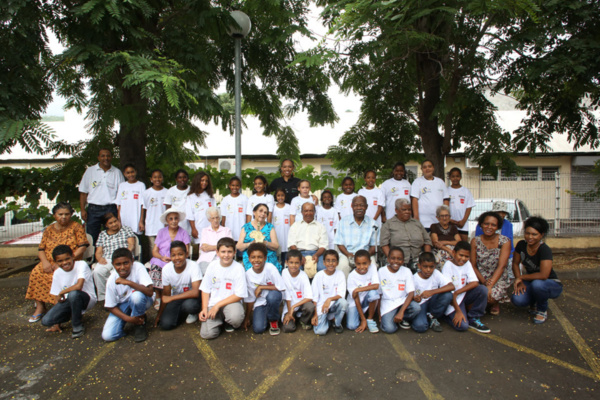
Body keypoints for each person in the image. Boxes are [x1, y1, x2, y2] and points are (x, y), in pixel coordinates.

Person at [26, 202, 89, 322]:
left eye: (66, 214)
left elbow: (82, 247)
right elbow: (41, 249)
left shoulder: (76, 227)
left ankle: (59, 307)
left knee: (55, 276)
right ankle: (40, 307)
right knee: (36, 272)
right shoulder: (49, 229)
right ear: (54, 215)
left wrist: (63, 261)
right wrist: (45, 262)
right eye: (60, 214)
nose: (63, 217)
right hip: (50, 261)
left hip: (69, 261)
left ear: (71, 214)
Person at [511, 216, 562, 324]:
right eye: (527, 233)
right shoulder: (521, 245)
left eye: (534, 234)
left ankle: (542, 309)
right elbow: (515, 263)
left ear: (541, 235)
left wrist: (521, 277)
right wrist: (519, 281)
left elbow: (544, 275)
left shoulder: (544, 249)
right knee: (518, 299)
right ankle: (533, 302)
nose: (530, 237)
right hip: (532, 281)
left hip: (550, 284)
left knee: (538, 284)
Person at [40, 245, 97, 338]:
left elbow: (79, 286)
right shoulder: (57, 273)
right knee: (46, 321)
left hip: (86, 299)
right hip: (69, 302)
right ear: (55, 262)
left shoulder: (81, 264)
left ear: (73, 256)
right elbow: (56, 298)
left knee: (73, 294)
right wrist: (57, 322)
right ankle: (74, 314)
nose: (64, 262)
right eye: (60, 261)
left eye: (67, 259)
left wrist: (62, 292)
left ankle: (77, 325)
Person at [101, 248, 154, 342]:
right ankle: (135, 319)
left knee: (136, 296)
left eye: (126, 263)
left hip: (143, 300)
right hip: (124, 304)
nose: (122, 267)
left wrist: (128, 282)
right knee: (108, 336)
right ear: (113, 264)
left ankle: (140, 324)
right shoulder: (111, 280)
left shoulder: (138, 267)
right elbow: (110, 306)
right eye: (118, 264)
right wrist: (129, 319)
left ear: (132, 261)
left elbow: (150, 292)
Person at [199, 238, 248, 339]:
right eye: (223, 252)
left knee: (236, 318)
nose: (226, 255)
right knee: (207, 335)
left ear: (234, 252)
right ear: (217, 252)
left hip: (231, 303)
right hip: (212, 304)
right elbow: (205, 289)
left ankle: (227, 321)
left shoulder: (239, 268)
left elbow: (239, 294)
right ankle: (218, 321)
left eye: (229, 252)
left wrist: (217, 306)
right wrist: (204, 309)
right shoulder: (212, 266)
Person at [442, 241, 490, 333]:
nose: (463, 259)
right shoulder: (448, 266)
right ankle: (446, 316)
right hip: (452, 300)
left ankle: (473, 317)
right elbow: (450, 294)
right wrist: (458, 311)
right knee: (463, 326)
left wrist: (457, 292)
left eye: (467, 256)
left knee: (482, 289)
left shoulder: (467, 264)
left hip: (462, 295)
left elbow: (475, 282)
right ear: (453, 253)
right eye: (461, 255)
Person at [79, 148, 124, 244]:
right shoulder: (90, 171)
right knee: (92, 235)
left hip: (111, 208)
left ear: (111, 157)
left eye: (108, 156)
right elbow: (83, 192)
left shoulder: (117, 172)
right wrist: (83, 209)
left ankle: (110, 256)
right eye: (103, 156)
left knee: (113, 234)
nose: (106, 158)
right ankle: (94, 257)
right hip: (93, 208)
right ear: (98, 157)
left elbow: (122, 194)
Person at [148, 208, 190, 309]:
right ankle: (158, 295)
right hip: (162, 258)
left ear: (179, 220)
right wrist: (162, 257)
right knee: (156, 265)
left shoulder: (184, 232)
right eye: (171, 219)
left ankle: (170, 295)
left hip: (178, 258)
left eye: (176, 218)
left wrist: (176, 258)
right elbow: (154, 251)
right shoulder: (161, 232)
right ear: (167, 220)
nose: (174, 221)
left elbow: (187, 252)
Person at [471, 211, 512, 316]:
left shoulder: (505, 241)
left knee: (491, 296)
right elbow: (473, 266)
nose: (489, 227)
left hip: (498, 276)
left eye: (493, 225)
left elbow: (501, 266)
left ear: (498, 227)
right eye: (486, 224)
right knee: (471, 295)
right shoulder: (475, 241)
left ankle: (494, 302)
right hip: (480, 276)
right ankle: (484, 301)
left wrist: (490, 285)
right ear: (481, 224)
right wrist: (484, 283)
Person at [155, 241, 203, 330]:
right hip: (177, 299)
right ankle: (180, 312)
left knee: (190, 305)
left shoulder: (193, 266)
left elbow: (195, 292)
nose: (177, 258)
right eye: (173, 255)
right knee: (165, 325)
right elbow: (166, 295)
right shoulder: (166, 269)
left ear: (186, 254)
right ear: (170, 256)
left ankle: (193, 313)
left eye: (180, 254)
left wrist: (171, 298)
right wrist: (159, 315)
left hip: (191, 298)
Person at [242, 243, 285, 335]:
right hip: (260, 302)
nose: (256, 260)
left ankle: (273, 319)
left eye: (260, 257)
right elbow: (250, 299)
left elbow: (281, 287)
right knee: (258, 329)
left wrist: (261, 286)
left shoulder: (270, 268)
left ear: (265, 258)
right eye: (253, 257)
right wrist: (247, 318)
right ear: (249, 259)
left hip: (273, 297)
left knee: (273, 296)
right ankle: (266, 314)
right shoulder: (248, 275)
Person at [93, 212, 136, 302]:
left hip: (123, 257)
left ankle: (118, 297)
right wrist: (100, 259)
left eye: (115, 221)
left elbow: (131, 244)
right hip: (108, 258)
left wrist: (126, 254)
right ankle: (103, 297)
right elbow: (98, 251)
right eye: (110, 223)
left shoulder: (126, 230)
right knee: (97, 272)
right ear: (106, 225)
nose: (114, 224)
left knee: (115, 273)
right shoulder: (102, 234)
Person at [380, 198, 432, 272]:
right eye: (404, 210)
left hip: (418, 260)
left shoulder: (416, 223)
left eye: (409, 210)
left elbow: (427, 241)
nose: (407, 212)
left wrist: (427, 258)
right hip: (397, 261)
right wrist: (392, 260)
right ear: (396, 210)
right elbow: (384, 244)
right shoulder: (388, 224)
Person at [378, 247, 421, 333]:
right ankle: (394, 319)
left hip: (402, 301)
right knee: (389, 329)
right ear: (388, 259)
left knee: (416, 308)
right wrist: (379, 314)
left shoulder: (407, 271)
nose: (396, 261)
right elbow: (379, 294)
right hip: (388, 304)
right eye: (393, 258)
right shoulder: (381, 271)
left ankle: (403, 318)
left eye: (399, 259)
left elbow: (411, 293)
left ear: (403, 260)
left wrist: (401, 312)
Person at [334, 195, 377, 278]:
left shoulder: (373, 223)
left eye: (362, 205)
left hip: (366, 254)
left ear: (366, 207)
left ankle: (370, 289)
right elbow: (339, 243)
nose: (359, 208)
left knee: (373, 266)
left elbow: (374, 246)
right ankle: (344, 290)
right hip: (347, 254)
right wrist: (348, 254)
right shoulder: (343, 222)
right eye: (356, 205)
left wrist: (365, 256)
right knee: (342, 266)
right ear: (352, 206)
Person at [411, 252, 454, 333]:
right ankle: (423, 317)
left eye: (431, 267)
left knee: (448, 295)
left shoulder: (436, 273)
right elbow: (409, 295)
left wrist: (432, 292)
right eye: (425, 266)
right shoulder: (414, 278)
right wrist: (415, 298)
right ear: (419, 266)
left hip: (433, 302)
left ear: (434, 266)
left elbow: (451, 286)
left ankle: (432, 316)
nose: (428, 270)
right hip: (421, 305)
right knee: (421, 327)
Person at [311, 250, 348, 335]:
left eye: (333, 260)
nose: (331, 263)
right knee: (320, 331)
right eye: (328, 260)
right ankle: (328, 319)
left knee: (344, 303)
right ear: (324, 262)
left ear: (337, 263)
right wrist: (315, 314)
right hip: (322, 307)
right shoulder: (318, 276)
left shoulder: (340, 274)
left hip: (334, 304)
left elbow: (341, 294)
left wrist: (329, 299)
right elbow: (315, 297)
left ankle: (337, 323)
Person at [237, 204, 282, 272]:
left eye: (265, 212)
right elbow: (238, 246)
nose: (263, 214)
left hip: (268, 258)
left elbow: (276, 246)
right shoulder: (246, 227)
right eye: (260, 211)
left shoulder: (270, 227)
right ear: (254, 212)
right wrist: (251, 244)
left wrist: (264, 242)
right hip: (251, 259)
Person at [345, 250, 380, 333]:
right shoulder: (351, 276)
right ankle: (364, 318)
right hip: (355, 302)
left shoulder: (373, 267)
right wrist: (362, 319)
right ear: (355, 263)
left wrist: (358, 289)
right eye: (358, 264)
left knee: (373, 293)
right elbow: (356, 298)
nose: (361, 267)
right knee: (352, 326)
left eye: (365, 263)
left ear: (370, 262)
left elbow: (376, 285)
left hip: (367, 299)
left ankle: (370, 319)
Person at [287, 202, 328, 272]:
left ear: (314, 212)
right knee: (295, 269)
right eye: (306, 211)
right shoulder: (295, 226)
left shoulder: (321, 226)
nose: (308, 213)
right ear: (301, 212)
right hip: (298, 253)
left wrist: (316, 255)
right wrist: (299, 256)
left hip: (316, 253)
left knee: (322, 269)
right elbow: (292, 244)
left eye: (311, 211)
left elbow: (323, 246)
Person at [281, 250, 315, 332]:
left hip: (301, 304)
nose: (294, 265)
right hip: (289, 306)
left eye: (296, 263)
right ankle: (293, 317)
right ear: (286, 262)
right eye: (291, 262)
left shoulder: (303, 275)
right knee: (288, 328)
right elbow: (287, 295)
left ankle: (303, 320)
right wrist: (289, 312)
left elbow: (309, 297)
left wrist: (294, 307)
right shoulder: (284, 273)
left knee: (310, 306)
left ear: (300, 263)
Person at [410, 160, 449, 230]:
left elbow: (445, 199)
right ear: (421, 169)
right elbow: (414, 199)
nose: (427, 169)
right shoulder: (417, 182)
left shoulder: (440, 182)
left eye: (429, 166)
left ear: (433, 168)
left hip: (438, 221)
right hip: (423, 222)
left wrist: (445, 216)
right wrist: (416, 216)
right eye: (424, 167)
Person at [198, 207, 233, 274]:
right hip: (206, 259)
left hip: (222, 258)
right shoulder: (205, 231)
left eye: (217, 217)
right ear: (209, 219)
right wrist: (221, 247)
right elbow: (204, 248)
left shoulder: (226, 230)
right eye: (213, 218)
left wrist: (210, 247)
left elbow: (229, 246)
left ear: (220, 218)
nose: (215, 220)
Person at [186, 171, 216, 244]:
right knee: (201, 248)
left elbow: (215, 213)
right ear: (197, 181)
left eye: (206, 181)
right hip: (198, 228)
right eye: (202, 180)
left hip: (210, 227)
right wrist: (193, 229)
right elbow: (190, 215)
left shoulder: (210, 196)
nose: (204, 182)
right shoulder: (191, 197)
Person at [115, 163, 145, 236]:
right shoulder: (122, 186)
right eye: (128, 173)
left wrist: (141, 221)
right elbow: (119, 204)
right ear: (124, 174)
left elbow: (143, 205)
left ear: (136, 172)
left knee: (137, 243)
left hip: (136, 221)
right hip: (124, 221)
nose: (130, 174)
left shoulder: (141, 185)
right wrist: (119, 220)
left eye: (132, 172)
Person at [141, 169, 167, 250]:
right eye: (155, 177)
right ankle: (153, 262)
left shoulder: (167, 192)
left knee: (164, 247)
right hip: (151, 224)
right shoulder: (146, 193)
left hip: (163, 225)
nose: (157, 179)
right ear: (151, 179)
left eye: (159, 177)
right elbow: (143, 208)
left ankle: (164, 262)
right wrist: (141, 221)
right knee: (152, 247)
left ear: (162, 179)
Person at [220, 176, 248, 248]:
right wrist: (223, 230)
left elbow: (247, 216)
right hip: (229, 232)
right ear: (229, 186)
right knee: (230, 253)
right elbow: (223, 217)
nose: (235, 187)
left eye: (237, 185)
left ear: (240, 186)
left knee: (241, 256)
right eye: (232, 185)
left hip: (241, 232)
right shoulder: (225, 200)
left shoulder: (244, 199)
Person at [430, 205, 462, 269]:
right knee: (444, 256)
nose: (444, 218)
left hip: (453, 250)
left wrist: (445, 242)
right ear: (437, 217)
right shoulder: (434, 226)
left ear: (450, 217)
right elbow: (436, 243)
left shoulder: (453, 227)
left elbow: (459, 242)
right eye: (442, 216)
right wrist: (449, 250)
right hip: (441, 250)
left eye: (446, 215)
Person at [447, 168, 475, 241]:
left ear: (460, 177)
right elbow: (444, 207)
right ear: (450, 177)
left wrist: (463, 221)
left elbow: (469, 207)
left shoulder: (466, 191)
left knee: (463, 246)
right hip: (450, 224)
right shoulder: (446, 191)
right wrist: (449, 220)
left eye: (457, 176)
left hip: (463, 225)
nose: (455, 178)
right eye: (453, 176)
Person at [164, 169, 191, 234]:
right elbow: (168, 208)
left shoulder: (191, 190)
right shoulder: (171, 191)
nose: (182, 179)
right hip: (175, 221)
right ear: (176, 179)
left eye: (184, 177)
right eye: (180, 177)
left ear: (187, 178)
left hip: (188, 222)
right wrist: (167, 222)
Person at [272, 187, 291, 265]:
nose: (280, 197)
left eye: (282, 195)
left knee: (285, 258)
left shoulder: (289, 207)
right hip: (277, 235)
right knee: (277, 257)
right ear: (275, 196)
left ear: (285, 196)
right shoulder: (273, 208)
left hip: (286, 235)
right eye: (278, 195)